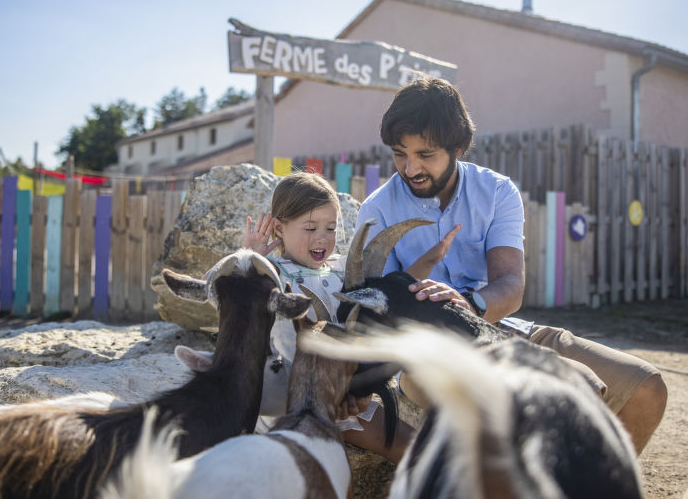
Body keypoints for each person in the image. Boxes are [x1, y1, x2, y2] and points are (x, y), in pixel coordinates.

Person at [355, 76, 667, 455]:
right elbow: (372, 309)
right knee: (532, 407)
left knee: (647, 388)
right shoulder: (376, 210)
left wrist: (467, 305)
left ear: (459, 147)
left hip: (501, 327)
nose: (410, 168)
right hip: (428, 352)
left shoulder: (498, 191)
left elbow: (510, 287)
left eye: (426, 155)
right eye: (400, 153)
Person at [242, 171, 414, 463]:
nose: (322, 237)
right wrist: (248, 257)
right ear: (280, 229)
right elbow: (217, 290)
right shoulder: (271, 271)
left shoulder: (343, 269)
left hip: (346, 391)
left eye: (331, 228)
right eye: (310, 229)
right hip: (294, 397)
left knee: (411, 443)